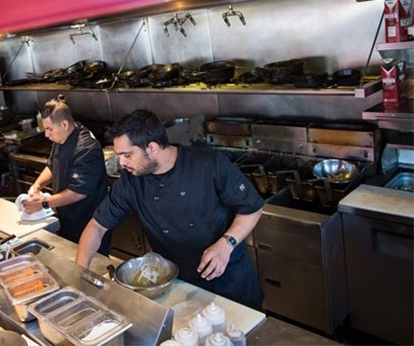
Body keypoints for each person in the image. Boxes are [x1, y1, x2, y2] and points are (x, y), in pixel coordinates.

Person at [75, 110, 264, 309]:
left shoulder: (209, 164)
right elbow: (96, 226)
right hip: (177, 285)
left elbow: (252, 208)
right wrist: (79, 276)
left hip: (228, 280)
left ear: (152, 148)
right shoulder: (131, 182)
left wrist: (227, 244)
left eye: (127, 155)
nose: (121, 163)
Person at [22, 95, 112, 254]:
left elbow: (79, 192)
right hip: (68, 217)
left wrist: (44, 202)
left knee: (93, 266)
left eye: (49, 129)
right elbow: (52, 165)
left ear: (64, 124)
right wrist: (37, 185)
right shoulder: (61, 138)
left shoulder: (86, 148)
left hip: (88, 221)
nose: (46, 134)